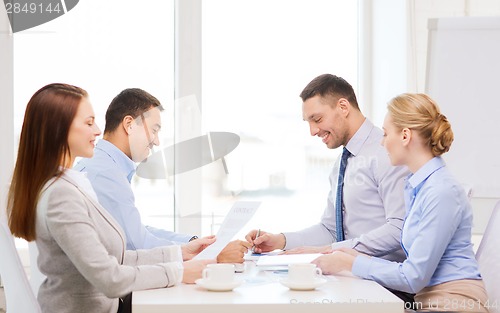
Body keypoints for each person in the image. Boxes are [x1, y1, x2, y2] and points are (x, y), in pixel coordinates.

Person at [7, 83, 212, 313]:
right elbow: (110, 276)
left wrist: (181, 252)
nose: (97, 130)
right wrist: (180, 271)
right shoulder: (62, 193)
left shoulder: (73, 182)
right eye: (88, 122)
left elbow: (118, 255)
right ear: (59, 128)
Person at [312, 93, 489, 312]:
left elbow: (413, 277)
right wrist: (355, 256)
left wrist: (351, 263)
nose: (382, 141)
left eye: (386, 134)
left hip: (454, 303)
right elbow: (413, 270)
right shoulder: (417, 187)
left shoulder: (442, 191)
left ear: (405, 136)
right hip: (430, 300)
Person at [74, 88, 250, 263]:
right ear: (129, 124)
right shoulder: (105, 173)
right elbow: (137, 245)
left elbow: (136, 231)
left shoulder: (104, 165)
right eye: (154, 130)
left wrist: (192, 243)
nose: (157, 141)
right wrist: (210, 254)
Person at [246, 74, 408, 263]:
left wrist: (331, 251)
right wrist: (279, 240)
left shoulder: (386, 151)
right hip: (353, 276)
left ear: (343, 107)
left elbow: (400, 228)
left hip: (387, 284)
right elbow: (331, 229)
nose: (313, 131)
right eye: (308, 123)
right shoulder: (342, 162)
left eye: (317, 119)